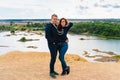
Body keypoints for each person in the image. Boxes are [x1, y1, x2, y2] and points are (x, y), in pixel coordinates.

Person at [45, 14, 59, 78]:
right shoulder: (48, 26)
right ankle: (51, 72)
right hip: (51, 45)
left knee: (54, 57)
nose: (55, 20)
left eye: (56, 19)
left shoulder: (56, 25)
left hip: (56, 44)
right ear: (51, 19)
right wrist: (53, 42)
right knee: (53, 57)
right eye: (54, 19)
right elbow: (47, 36)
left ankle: (53, 70)